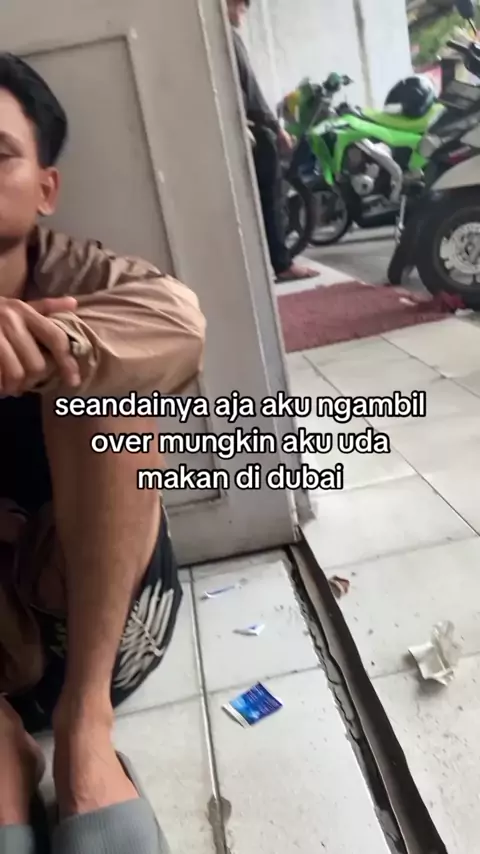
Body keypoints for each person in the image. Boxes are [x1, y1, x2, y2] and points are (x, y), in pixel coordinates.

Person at [0, 54, 206, 853]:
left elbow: (180, 322)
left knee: (111, 390)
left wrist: (56, 345)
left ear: (44, 188)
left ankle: (87, 736)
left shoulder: (87, 275)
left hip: (100, 633)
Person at [227, 0, 318, 282]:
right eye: (242, 8)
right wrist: (277, 129)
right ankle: (281, 263)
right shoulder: (227, 39)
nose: (243, 15)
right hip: (251, 132)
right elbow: (252, 94)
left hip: (237, 131)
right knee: (271, 199)